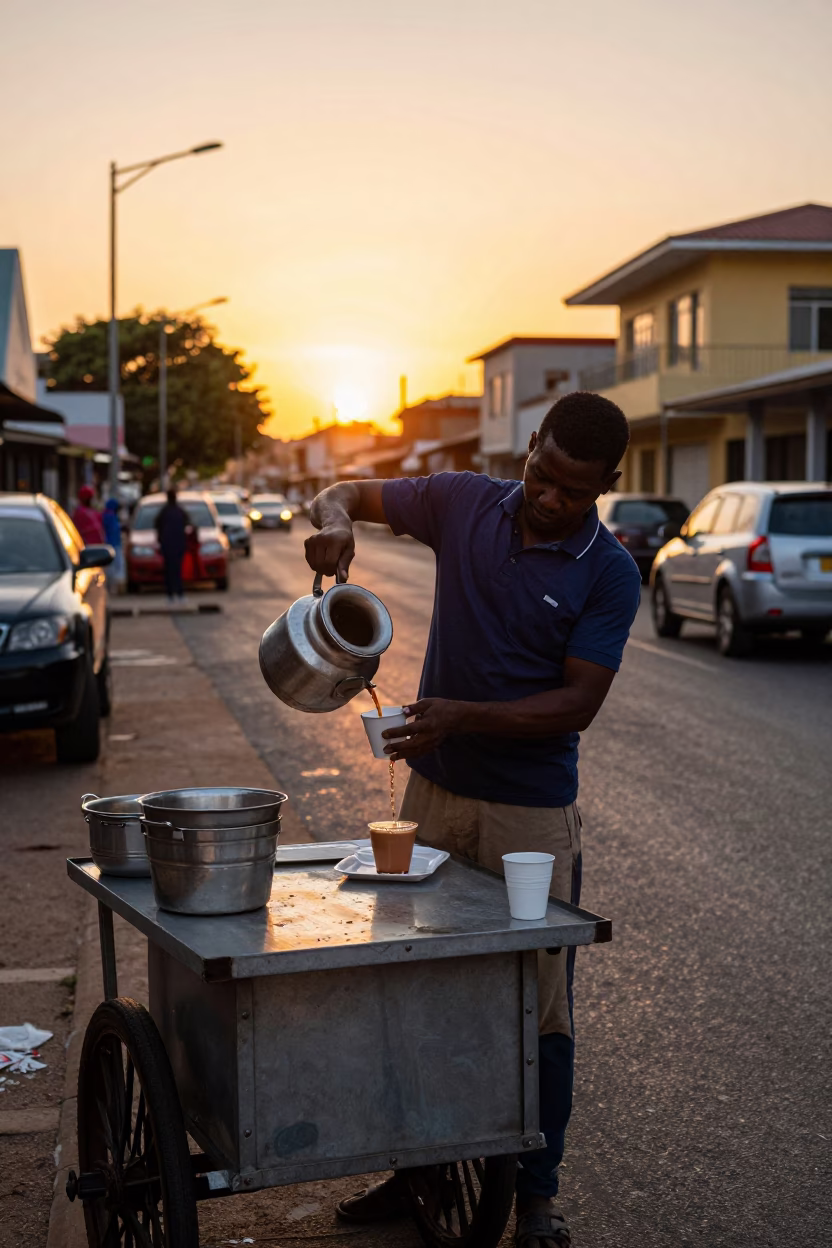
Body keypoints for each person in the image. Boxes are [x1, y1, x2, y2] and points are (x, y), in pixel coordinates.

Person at [304, 391, 642, 1248]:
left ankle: (535, 1198)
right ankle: (415, 1170)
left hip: (530, 815)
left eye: (573, 488)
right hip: (433, 796)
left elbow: (576, 704)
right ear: (528, 447)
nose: (550, 497)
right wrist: (333, 519)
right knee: (414, 980)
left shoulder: (609, 572)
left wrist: (461, 716)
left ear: (608, 481)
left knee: (539, 1006)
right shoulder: (461, 503)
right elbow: (344, 490)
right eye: (541, 473)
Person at [153, 487, 191, 602]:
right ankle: (176, 593)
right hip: (174, 544)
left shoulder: (167, 512)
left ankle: (173, 593)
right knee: (175, 569)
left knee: (171, 569)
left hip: (171, 544)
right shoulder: (177, 511)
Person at [101, 498, 124, 591]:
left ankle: (114, 586)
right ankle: (112, 587)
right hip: (110, 544)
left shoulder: (111, 516)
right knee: (112, 567)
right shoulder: (108, 516)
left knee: (114, 567)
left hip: (114, 544)